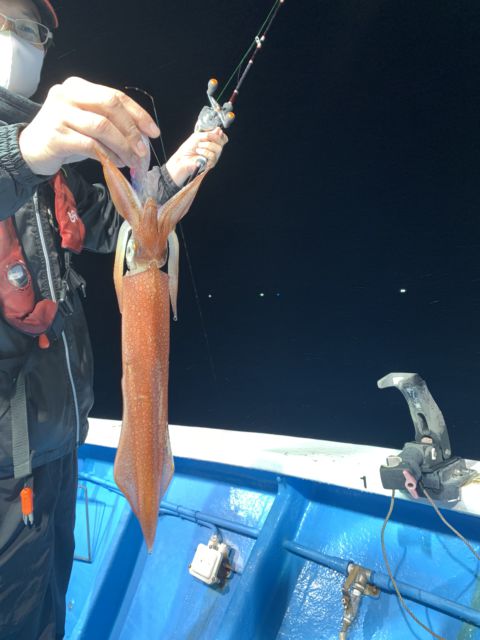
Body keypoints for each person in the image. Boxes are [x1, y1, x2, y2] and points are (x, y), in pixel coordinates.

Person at [0, 1, 228, 638]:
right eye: (2, 19)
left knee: (47, 613)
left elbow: (111, 223)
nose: (17, 37)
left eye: (32, 28)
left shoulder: (52, 173)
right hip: (3, 472)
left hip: (57, 451)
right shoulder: (31, 153)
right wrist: (20, 153)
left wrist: (176, 169)